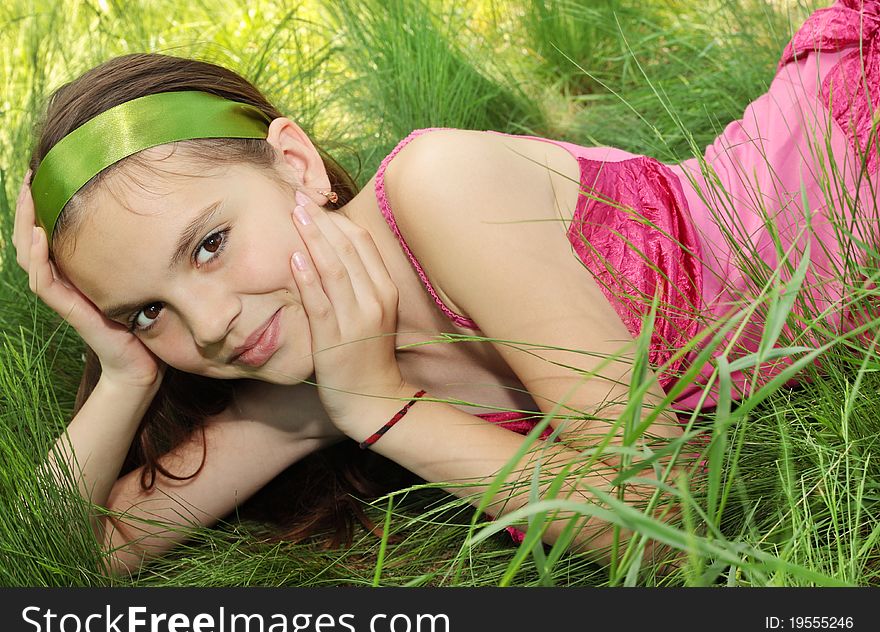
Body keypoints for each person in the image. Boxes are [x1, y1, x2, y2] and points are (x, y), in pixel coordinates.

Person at [12, 0, 878, 578]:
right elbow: (71, 551)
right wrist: (126, 370)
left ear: (298, 164)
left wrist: (388, 409)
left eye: (208, 244)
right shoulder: (305, 383)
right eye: (149, 309)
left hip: (844, 171)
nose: (206, 328)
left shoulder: (440, 188)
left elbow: (672, 513)